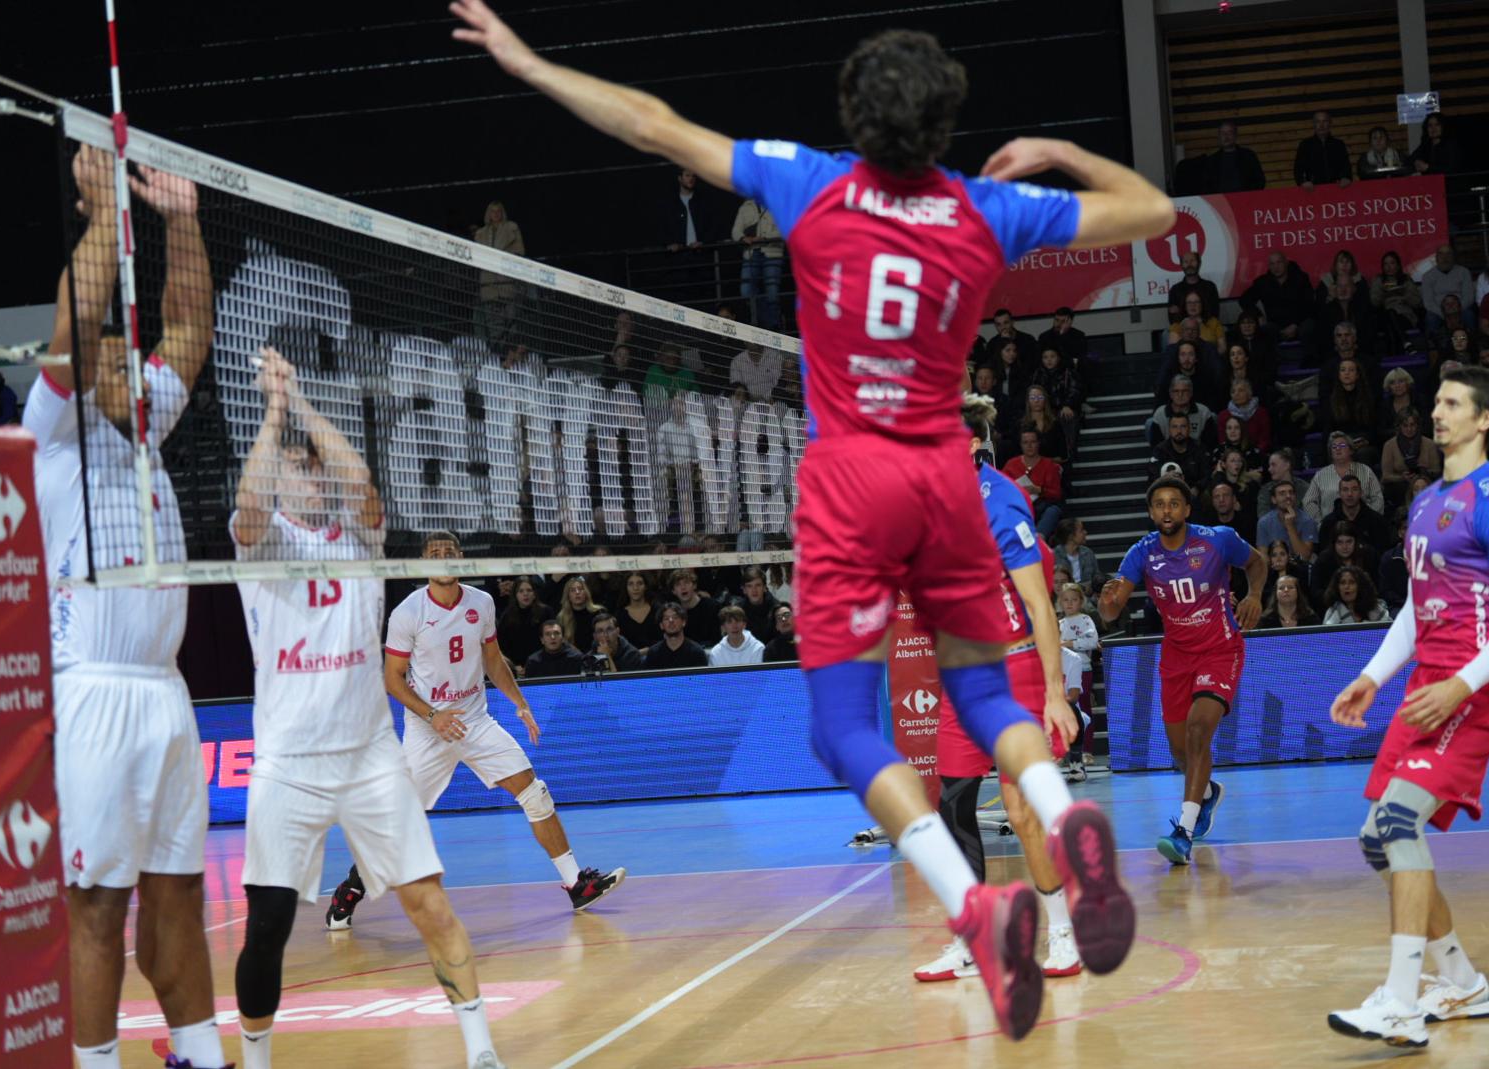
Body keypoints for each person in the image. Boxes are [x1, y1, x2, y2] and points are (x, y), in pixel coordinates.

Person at [448, 3, 1177, 1037]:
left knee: (842, 727)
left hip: (850, 488)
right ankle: (1065, 815)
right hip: (943, 479)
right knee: (982, 692)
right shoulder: (983, 209)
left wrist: (528, 63)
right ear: (945, 124)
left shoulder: (812, 180)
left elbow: (653, 124)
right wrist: (1056, 151)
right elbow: (1153, 210)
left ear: (854, 116)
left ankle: (974, 906)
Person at [230, 347, 507, 1069]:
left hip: (369, 758)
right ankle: (254, 1059)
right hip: (288, 764)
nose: (310, 475)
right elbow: (252, 506)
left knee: (429, 902)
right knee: (268, 925)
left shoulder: (362, 539)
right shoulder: (260, 548)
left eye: (312, 466)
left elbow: (364, 487)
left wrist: (307, 408)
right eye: (298, 468)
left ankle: (481, 1051)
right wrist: (273, 412)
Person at [28, 147, 229, 1069]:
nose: (132, 367)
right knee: (98, 907)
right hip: (94, 698)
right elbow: (74, 329)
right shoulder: (53, 434)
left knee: (179, 895)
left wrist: (181, 220)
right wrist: (106, 211)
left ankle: (193, 1052)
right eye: (114, 356)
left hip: (164, 694)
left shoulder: (144, 428)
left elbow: (191, 320)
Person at [1326, 366, 1489, 1049]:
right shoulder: (1423, 503)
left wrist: (1463, 685)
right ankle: (1463, 981)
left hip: (1473, 691)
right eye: (1437, 401)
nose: (1437, 412)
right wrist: (1373, 675)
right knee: (1376, 838)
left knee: (1395, 820)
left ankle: (1399, 1001)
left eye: (1452, 403)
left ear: (1484, 419)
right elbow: (1420, 610)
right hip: (1427, 685)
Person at [916, 397, 1129, 984]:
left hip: (1016, 672)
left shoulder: (1000, 498)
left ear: (968, 445)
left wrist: (1056, 692)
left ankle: (1062, 930)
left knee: (1020, 811)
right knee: (952, 807)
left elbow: (1038, 603)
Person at [325, 532, 625, 931]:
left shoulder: (481, 603)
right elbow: (392, 680)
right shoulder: (407, 613)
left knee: (533, 791)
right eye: (435, 554)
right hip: (429, 729)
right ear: (424, 563)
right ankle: (351, 889)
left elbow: (492, 660)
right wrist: (434, 717)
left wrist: (520, 704)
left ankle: (575, 884)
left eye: (450, 552)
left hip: (475, 719)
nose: (444, 558)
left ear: (462, 558)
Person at [1099, 477, 1267, 865]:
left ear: (1187, 509)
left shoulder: (1217, 539)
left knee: (1197, 732)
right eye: (1159, 505)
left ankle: (1184, 832)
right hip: (1175, 656)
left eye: (1174, 503)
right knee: (1181, 753)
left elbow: (1256, 562)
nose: (1167, 511)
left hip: (1220, 649)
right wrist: (1107, 602)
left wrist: (1256, 595)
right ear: (1151, 512)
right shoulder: (1141, 552)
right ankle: (1206, 793)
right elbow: (1111, 611)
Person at [473, 200, 524, 349]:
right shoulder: (480, 234)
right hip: (489, 287)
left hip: (507, 285)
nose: (495, 214)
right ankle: (499, 359)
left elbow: (519, 252)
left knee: (512, 327)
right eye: (492, 211)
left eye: (498, 211)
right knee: (494, 328)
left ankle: (512, 359)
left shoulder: (511, 228)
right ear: (488, 214)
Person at [1244, 251, 1317, 350]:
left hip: (1300, 322)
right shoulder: (1263, 282)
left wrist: (1295, 325)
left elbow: (1310, 304)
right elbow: (1244, 300)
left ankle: (1311, 361)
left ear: (1286, 262)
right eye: (1272, 264)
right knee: (1265, 330)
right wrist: (1258, 315)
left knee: (1310, 326)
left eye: (1279, 262)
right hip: (1276, 326)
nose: (1276, 267)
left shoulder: (1300, 278)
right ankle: (1272, 363)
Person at [1305, 433, 1385, 521]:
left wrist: (1368, 519)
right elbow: (1308, 501)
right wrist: (1321, 522)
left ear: (1351, 450)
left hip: (1363, 526)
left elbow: (1378, 498)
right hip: (1332, 527)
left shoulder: (1366, 471)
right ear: (1331, 453)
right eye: (1334, 447)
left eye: (1342, 445)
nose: (1338, 448)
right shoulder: (1320, 475)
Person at [732, 196, 784, 329]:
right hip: (751, 253)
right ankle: (759, 324)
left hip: (772, 252)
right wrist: (744, 238)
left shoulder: (777, 204)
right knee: (746, 291)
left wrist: (765, 238)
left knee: (772, 292)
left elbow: (784, 229)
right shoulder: (746, 206)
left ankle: (774, 326)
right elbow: (736, 231)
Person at [1001, 428, 1064, 535]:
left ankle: (1038, 539)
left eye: (1033, 442)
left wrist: (1038, 490)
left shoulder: (1049, 465)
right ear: (1020, 445)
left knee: (1053, 511)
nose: (1029, 446)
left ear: (1038, 443)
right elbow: (1001, 489)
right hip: (1018, 507)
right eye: (1025, 442)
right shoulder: (1011, 465)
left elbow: (1057, 494)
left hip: (1042, 507)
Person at [1381, 408, 1443, 505]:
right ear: (1399, 426)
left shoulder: (1429, 444)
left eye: (1412, 425)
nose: (1409, 429)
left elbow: (1437, 471)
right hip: (1401, 485)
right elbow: (1386, 476)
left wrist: (1423, 471)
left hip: (1425, 483)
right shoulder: (1389, 445)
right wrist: (1402, 477)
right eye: (1405, 426)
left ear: (1417, 425)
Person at [1420, 245, 1477, 334]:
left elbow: (1469, 297)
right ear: (1436, 258)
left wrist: (1456, 311)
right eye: (1441, 254)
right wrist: (1445, 314)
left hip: (1460, 308)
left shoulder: (1464, 272)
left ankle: (1472, 342)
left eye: (1448, 254)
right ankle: (1434, 346)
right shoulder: (1427, 276)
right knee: (1430, 318)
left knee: (1469, 315)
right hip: (1438, 310)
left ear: (1453, 256)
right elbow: (1428, 303)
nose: (1444, 258)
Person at [497, 577, 551, 670]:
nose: (525, 594)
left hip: (542, 664)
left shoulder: (546, 612)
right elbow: (501, 646)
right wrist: (514, 666)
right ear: (515, 595)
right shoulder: (507, 616)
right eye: (521, 591)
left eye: (529, 590)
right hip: (515, 667)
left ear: (534, 594)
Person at [1256, 479, 1317, 560]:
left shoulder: (1307, 521)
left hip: (1300, 569)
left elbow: (1304, 557)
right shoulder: (1264, 523)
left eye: (1291, 492)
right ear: (1274, 499)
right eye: (1282, 493)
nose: (1288, 496)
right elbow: (1263, 558)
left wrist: (1290, 526)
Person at [1149, 411, 1211, 489]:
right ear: (1169, 430)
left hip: (1194, 492)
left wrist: (1197, 488)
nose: (1179, 431)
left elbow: (1207, 475)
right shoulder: (1160, 450)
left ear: (1189, 429)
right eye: (1174, 427)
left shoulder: (1200, 448)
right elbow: (1152, 476)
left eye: (1183, 426)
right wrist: (1165, 478)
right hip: (1168, 490)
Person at [642, 602, 709, 670]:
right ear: (661, 625)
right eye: (666, 618)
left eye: (675, 617)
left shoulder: (696, 652)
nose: (671, 621)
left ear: (683, 622)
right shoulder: (654, 653)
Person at [1294, 110, 1353, 188]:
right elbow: (1299, 168)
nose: (1321, 125)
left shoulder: (1338, 144)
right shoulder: (1305, 145)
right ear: (1314, 124)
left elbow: (1346, 166)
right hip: (1313, 190)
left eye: (1325, 121)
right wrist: (1303, 182)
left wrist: (1346, 178)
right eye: (1318, 122)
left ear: (1330, 123)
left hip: (1337, 188)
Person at [1322, 564, 1391, 625]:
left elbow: (1390, 630)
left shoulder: (1374, 609)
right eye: (1342, 583)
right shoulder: (1332, 612)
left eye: (1352, 582)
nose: (1346, 586)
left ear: (1360, 586)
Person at [1168, 249, 1222, 324]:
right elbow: (1173, 319)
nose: (1189, 264)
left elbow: (1214, 313)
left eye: (1192, 261)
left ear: (1199, 263)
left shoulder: (1210, 287)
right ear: (1181, 265)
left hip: (1207, 327)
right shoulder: (1175, 290)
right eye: (1186, 262)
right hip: (1183, 330)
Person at [615, 571, 661, 650]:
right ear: (626, 588)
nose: (635, 588)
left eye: (639, 583)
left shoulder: (657, 610)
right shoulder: (620, 614)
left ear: (646, 586)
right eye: (631, 584)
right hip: (631, 659)